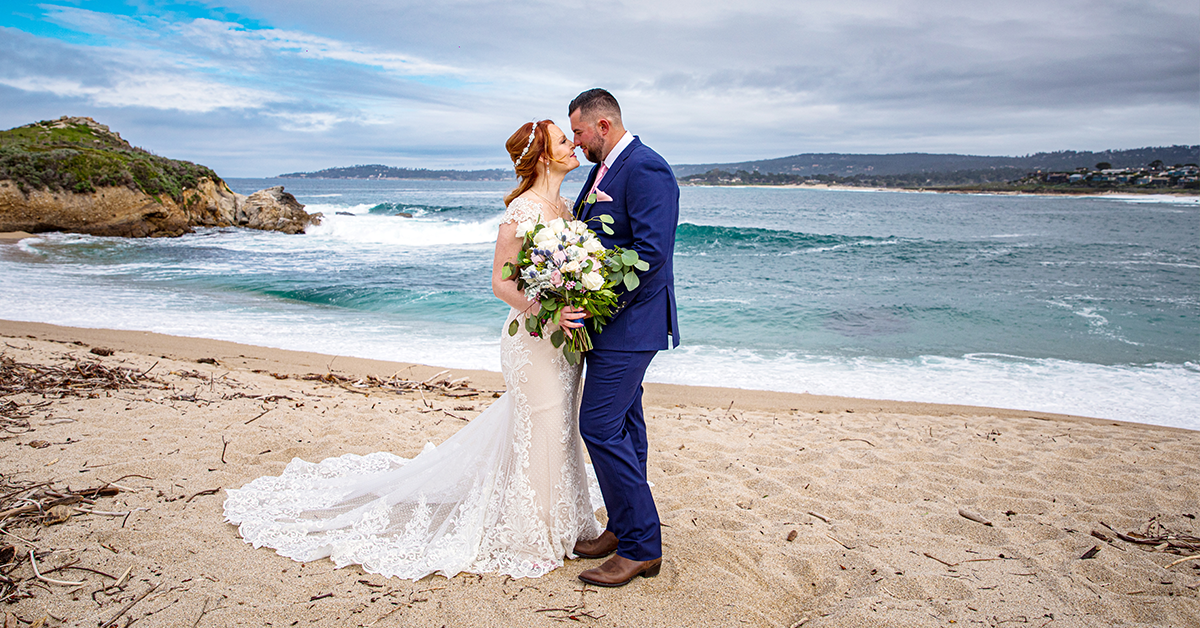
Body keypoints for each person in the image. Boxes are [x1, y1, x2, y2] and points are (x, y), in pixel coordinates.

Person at [223, 119, 606, 580]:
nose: (573, 144)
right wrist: (546, 311)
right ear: (545, 156)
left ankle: (566, 523)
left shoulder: (564, 206)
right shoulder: (522, 212)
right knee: (541, 429)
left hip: (563, 345)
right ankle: (533, 534)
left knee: (562, 427)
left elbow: (564, 271)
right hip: (532, 341)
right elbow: (500, 283)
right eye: (564, 140)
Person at [564, 88, 681, 587]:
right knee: (626, 426)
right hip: (610, 325)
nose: (577, 142)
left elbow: (650, 255)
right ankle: (623, 526)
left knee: (599, 425)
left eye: (580, 133)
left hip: (631, 324)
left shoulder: (647, 168)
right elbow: (596, 236)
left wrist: (594, 297)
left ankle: (641, 547)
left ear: (604, 126)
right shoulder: (603, 169)